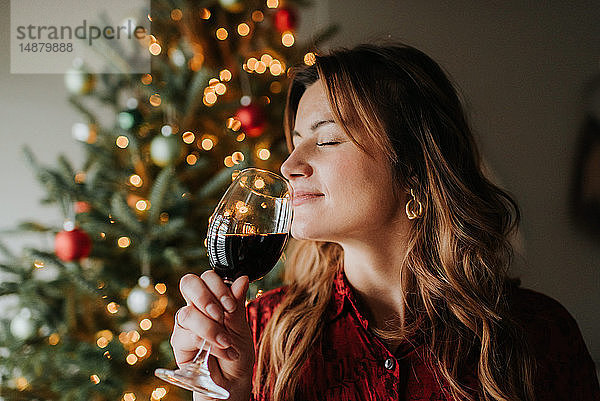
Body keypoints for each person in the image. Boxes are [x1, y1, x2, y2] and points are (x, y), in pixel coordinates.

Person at [170, 43, 600, 401]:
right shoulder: (260, 331)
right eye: (296, 142)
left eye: (328, 139)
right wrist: (226, 392)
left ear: (413, 165)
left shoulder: (538, 334)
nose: (289, 166)